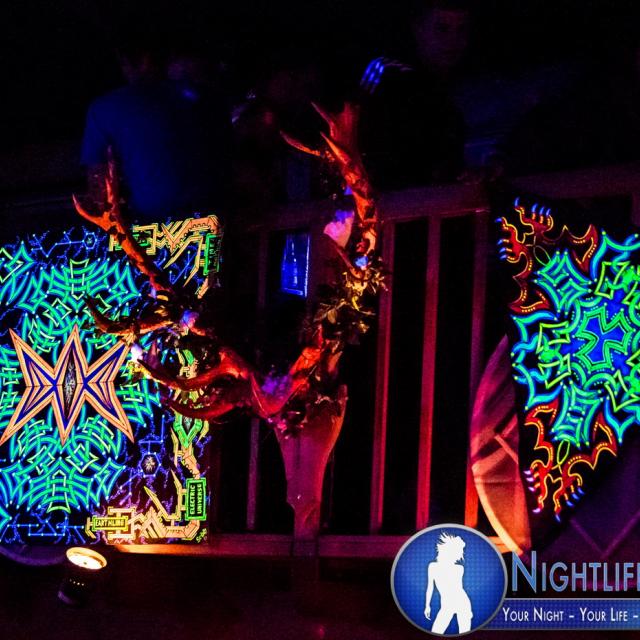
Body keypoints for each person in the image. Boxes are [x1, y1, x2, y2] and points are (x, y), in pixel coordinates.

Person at [80, 31, 231, 223]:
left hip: (152, 221)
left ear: (127, 61)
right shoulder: (202, 96)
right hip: (217, 214)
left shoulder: (104, 108)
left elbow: (99, 185)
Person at [357, 0, 469, 189]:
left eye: (461, 30)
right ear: (419, 29)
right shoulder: (389, 76)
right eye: (442, 29)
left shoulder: (462, 81)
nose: (453, 40)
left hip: (443, 198)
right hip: (393, 200)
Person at [425, 532, 473, 634]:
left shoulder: (459, 568)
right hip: (446, 605)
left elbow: (459, 589)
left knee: (464, 632)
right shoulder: (433, 566)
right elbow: (430, 587)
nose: (459, 555)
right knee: (436, 631)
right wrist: (427, 605)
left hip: (462, 603)